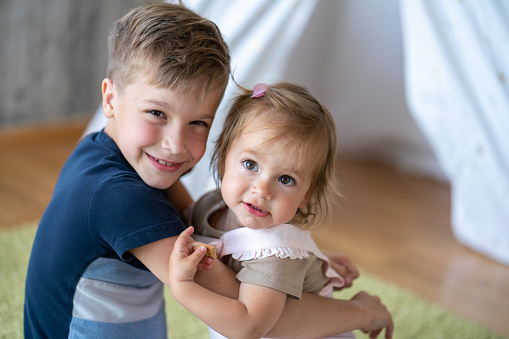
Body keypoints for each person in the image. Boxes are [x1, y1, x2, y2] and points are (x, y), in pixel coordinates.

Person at [169, 82, 394, 339]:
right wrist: (313, 263)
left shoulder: (277, 253)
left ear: (306, 196)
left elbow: (249, 327)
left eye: (286, 179)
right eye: (250, 164)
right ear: (222, 161)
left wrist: (183, 287)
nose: (262, 189)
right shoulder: (212, 205)